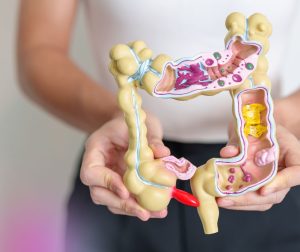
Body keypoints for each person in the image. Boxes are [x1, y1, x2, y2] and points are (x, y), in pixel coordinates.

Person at [17, 0, 300, 251]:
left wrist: (283, 119)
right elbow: (40, 51)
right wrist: (118, 116)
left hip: (269, 171)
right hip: (122, 156)